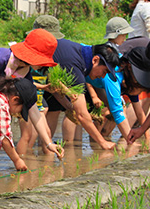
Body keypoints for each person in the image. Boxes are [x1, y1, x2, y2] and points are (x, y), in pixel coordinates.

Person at [33, 15, 119, 150]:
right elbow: (82, 115)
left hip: (43, 80)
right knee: (30, 132)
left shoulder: (80, 55)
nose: (103, 76)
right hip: (24, 76)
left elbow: (56, 88)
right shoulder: (75, 65)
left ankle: (44, 160)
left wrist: (70, 106)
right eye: (104, 71)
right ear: (95, 60)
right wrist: (103, 143)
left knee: (49, 123)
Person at [0, 29, 62, 157]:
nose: (44, 65)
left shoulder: (24, 72)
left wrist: (49, 143)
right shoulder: (0, 59)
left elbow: (33, 109)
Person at [86, 44, 150, 139]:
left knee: (116, 109)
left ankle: (101, 139)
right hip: (81, 75)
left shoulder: (130, 81)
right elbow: (118, 113)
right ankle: (95, 142)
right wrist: (130, 141)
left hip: (96, 83)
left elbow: (139, 112)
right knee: (106, 112)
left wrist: (148, 138)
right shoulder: (114, 75)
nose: (139, 93)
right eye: (140, 90)